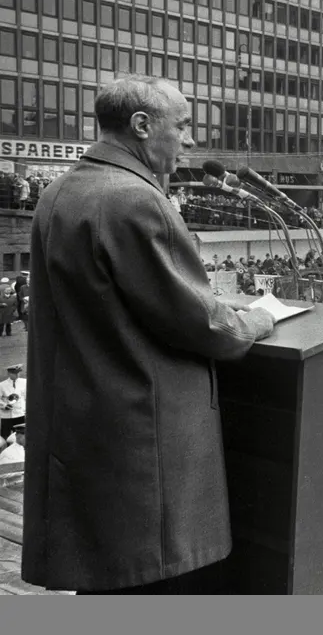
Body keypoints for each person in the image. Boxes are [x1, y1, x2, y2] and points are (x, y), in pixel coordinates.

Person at [23, 76, 277, 594]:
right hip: (143, 447)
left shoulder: (60, 191)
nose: (188, 141)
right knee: (153, 588)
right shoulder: (134, 200)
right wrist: (258, 318)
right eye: (181, 127)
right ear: (142, 126)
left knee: (107, 583)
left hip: (88, 432)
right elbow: (205, 325)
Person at [0, 364, 26, 440]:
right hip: (6, 416)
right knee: (5, 437)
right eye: (14, 373)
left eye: (18, 373)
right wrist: (4, 406)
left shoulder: (24, 382)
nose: (17, 375)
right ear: (9, 373)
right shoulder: (2, 385)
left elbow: (28, 397)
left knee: (21, 436)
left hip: (20, 414)